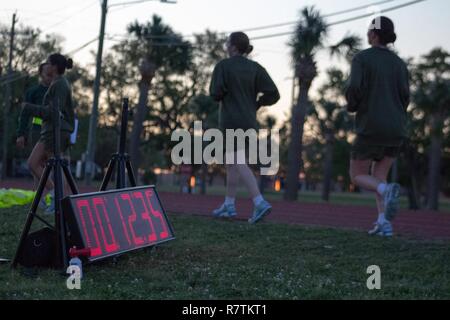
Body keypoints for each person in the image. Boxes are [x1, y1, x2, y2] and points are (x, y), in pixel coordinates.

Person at [345, 16, 410, 237]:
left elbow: (354, 86)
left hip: (371, 125)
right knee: (379, 174)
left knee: (357, 175)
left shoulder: (362, 58)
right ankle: (384, 223)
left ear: (373, 34)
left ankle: (386, 190)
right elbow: (405, 96)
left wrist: (352, 105)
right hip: (396, 127)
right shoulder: (399, 64)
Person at [209, 32, 280, 224]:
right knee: (233, 164)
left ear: (232, 47)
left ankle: (259, 201)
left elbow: (215, 93)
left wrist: (224, 92)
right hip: (249, 121)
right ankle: (229, 204)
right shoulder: (256, 68)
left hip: (231, 120)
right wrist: (257, 103)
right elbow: (274, 94)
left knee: (235, 161)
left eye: (227, 42)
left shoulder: (223, 66)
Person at [16, 53, 75, 214]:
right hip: (48, 131)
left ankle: (58, 200)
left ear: (55, 67)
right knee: (34, 163)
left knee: (53, 167)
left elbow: (54, 112)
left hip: (56, 132)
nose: (45, 65)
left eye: (48, 63)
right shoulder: (57, 83)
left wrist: (29, 108)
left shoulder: (61, 84)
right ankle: (55, 195)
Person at [17, 63, 53, 194]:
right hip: (37, 131)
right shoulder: (33, 92)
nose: (50, 77)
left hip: (55, 132)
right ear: (41, 74)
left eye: (52, 74)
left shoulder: (57, 91)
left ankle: (54, 194)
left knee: (53, 164)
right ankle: (39, 196)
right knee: (37, 163)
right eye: (47, 74)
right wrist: (21, 134)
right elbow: (24, 114)